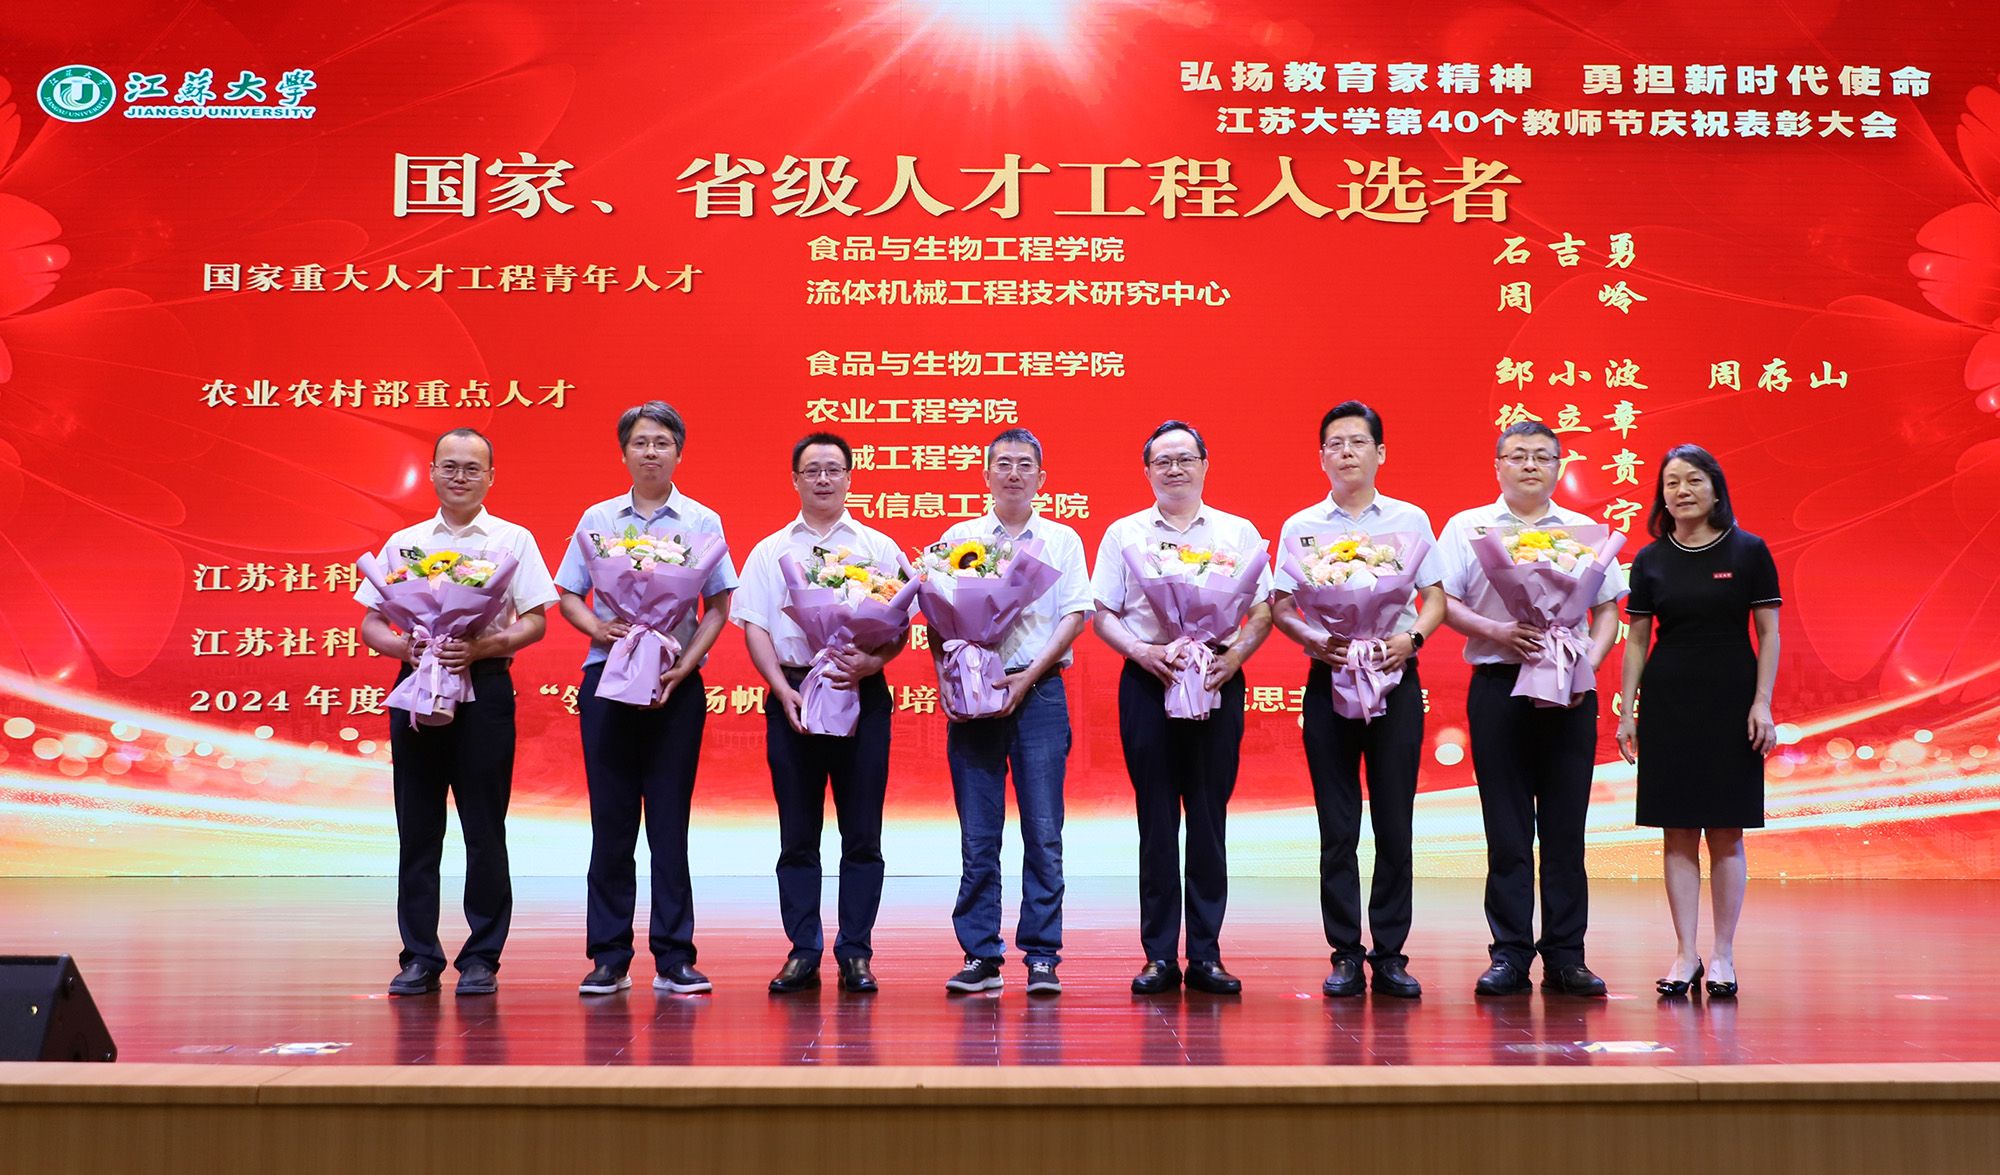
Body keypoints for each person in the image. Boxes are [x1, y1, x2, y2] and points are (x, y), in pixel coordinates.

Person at [358, 427, 558, 997]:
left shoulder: (513, 540)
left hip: (485, 688)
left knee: (484, 828)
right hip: (416, 688)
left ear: (491, 477)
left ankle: (482, 957)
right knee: (418, 828)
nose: (460, 476)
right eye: (450, 466)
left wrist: (484, 646)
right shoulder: (405, 543)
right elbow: (372, 623)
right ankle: (419, 956)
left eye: (473, 467)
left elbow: (536, 620)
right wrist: (406, 648)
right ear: (432, 473)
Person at [1435, 420, 1626, 997]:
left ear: (1559, 467)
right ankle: (1510, 955)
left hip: (1571, 692)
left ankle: (1567, 957)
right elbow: (1442, 601)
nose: (1530, 466)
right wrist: (1497, 630)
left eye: (1543, 456)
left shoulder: (1583, 531)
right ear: (1497, 465)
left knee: (1566, 829)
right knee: (1508, 830)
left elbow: (1609, 609)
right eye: (1517, 455)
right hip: (1498, 685)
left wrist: (1588, 660)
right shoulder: (1468, 527)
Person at [554, 402, 737, 997]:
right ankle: (608, 957)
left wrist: (685, 667)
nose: (651, 452)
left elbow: (719, 607)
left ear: (678, 452)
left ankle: (675, 955)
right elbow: (569, 594)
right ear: (624, 452)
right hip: (608, 681)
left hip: (674, 686)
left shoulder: (702, 520)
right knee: (610, 822)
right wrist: (597, 628)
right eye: (640, 442)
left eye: (661, 442)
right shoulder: (598, 518)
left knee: (668, 823)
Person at [1091, 420, 1272, 995]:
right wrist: (1141, 652)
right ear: (1147, 470)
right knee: (1156, 821)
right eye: (1162, 460)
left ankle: (1207, 954)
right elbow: (1103, 614)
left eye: (1185, 458)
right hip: (1151, 680)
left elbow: (1262, 609)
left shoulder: (1238, 532)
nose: (1175, 468)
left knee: (1209, 820)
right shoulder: (1124, 533)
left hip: (1216, 678)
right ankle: (1159, 956)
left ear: (1204, 464)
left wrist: (1234, 657)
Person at [1270, 402, 1444, 999]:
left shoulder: (1410, 519)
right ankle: (1345, 952)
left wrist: (1411, 639)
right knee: (1337, 825)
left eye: (1357, 442)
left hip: (1395, 677)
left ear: (1380, 453)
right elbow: (1282, 605)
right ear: (1321, 456)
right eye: (1335, 444)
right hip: (1331, 677)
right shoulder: (1301, 526)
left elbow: (1435, 597)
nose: (1346, 452)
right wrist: (1316, 640)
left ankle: (1390, 954)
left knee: (1395, 822)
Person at [733, 432, 907, 994]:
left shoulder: (879, 546)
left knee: (863, 834)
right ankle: (803, 951)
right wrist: (780, 689)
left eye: (834, 469)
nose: (824, 479)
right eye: (812, 470)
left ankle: (856, 952)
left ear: (850, 477)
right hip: (794, 693)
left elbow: (901, 626)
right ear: (795, 480)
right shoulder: (769, 551)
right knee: (797, 833)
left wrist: (871, 662)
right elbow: (755, 626)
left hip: (861, 693)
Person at [1615, 444, 1780, 1000]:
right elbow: (1637, 640)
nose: (1681, 491)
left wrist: (1762, 702)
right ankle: (1686, 953)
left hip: (1732, 701)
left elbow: (1769, 634)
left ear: (1715, 489)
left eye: (1692, 480)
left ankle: (1724, 955)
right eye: (1671, 483)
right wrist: (1628, 711)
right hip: (1669, 703)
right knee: (1678, 831)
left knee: (1727, 832)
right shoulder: (1650, 559)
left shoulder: (1749, 550)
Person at [932, 428, 1092, 996]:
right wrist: (946, 678)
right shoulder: (959, 538)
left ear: (1042, 478)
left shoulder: (1062, 540)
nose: (1014, 473)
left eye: (1025, 464)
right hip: (974, 693)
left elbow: (1075, 615)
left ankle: (1042, 954)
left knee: (1044, 830)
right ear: (986, 475)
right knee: (978, 834)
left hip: (1040, 690)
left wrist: (1028, 676)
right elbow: (938, 616)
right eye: (1003, 463)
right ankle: (981, 954)